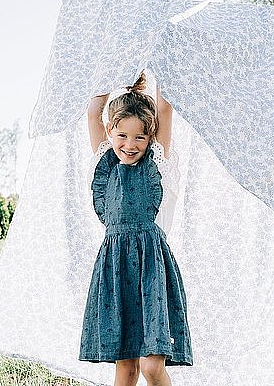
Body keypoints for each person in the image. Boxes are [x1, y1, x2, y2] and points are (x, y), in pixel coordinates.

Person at [78, 72, 193, 386]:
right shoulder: (105, 166)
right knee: (126, 370)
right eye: (122, 136)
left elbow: (164, 109)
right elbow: (93, 112)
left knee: (151, 367)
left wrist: (159, 51)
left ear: (150, 138)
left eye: (140, 137)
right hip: (115, 271)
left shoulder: (157, 164)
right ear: (111, 132)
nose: (130, 145)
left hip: (151, 269)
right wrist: (113, 57)